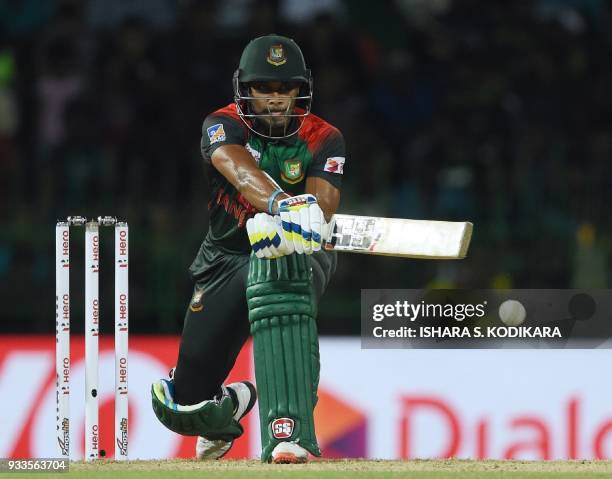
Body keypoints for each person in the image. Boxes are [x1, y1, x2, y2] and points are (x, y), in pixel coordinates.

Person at [151, 34, 345, 464]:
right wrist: (282, 202)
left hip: (296, 251)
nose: (276, 100)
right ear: (245, 88)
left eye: (286, 89)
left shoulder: (324, 137)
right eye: (265, 89)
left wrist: (310, 213)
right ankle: (233, 405)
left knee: (284, 276)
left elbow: (324, 202)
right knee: (181, 403)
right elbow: (237, 169)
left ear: (301, 88)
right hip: (226, 258)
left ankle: (288, 435)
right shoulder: (221, 123)